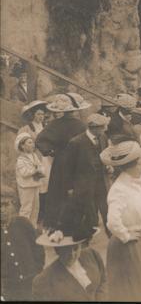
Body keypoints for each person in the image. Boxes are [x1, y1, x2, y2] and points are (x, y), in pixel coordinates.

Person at [101, 140, 141, 301]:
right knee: (133, 288)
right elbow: (112, 222)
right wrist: (126, 235)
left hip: (139, 240)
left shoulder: (132, 184)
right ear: (130, 166)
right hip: (127, 245)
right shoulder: (119, 190)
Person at [36, 93, 90, 230]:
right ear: (74, 110)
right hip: (78, 163)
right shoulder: (81, 126)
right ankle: (77, 224)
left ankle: (56, 224)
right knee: (77, 191)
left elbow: (40, 140)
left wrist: (51, 151)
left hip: (61, 163)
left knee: (58, 192)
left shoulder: (54, 125)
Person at [32, 206, 106, 301]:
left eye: (75, 248)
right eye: (66, 250)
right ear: (57, 250)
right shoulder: (44, 281)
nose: (72, 254)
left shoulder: (92, 255)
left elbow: (103, 282)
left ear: (81, 246)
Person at [61, 114, 111, 235]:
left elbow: (106, 154)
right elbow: (68, 167)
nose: (105, 130)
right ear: (93, 128)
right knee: (90, 215)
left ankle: (112, 238)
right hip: (85, 185)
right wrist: (70, 187)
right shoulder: (76, 142)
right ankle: (87, 242)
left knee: (107, 212)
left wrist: (108, 166)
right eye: (102, 127)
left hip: (102, 183)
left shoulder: (103, 137)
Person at [1, 187, 45, 302]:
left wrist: (37, 271)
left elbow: (38, 249)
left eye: (5, 205)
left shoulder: (23, 224)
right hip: (9, 288)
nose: (2, 209)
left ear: (13, 205)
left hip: (31, 281)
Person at [14, 133, 45, 225]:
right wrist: (35, 170)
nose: (33, 145)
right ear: (22, 146)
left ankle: (32, 228)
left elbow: (41, 166)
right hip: (26, 186)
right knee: (26, 208)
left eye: (32, 142)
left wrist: (40, 170)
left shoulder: (34, 156)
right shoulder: (21, 159)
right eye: (29, 143)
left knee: (35, 208)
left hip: (35, 184)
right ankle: (23, 229)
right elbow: (24, 172)